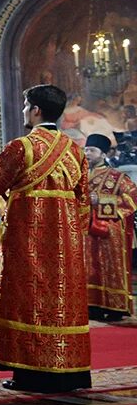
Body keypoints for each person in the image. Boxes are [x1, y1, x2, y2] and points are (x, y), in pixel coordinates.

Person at [0, 84, 91, 393]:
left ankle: (31, 374)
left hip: (29, 241)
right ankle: (67, 372)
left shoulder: (21, 147)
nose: (25, 111)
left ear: (36, 110)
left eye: (26, 106)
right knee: (60, 303)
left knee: (31, 301)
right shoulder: (75, 150)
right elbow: (83, 205)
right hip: (65, 245)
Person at [82, 134, 137, 322]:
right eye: (86, 150)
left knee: (110, 268)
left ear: (103, 153)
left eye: (92, 150)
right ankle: (92, 305)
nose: (87, 154)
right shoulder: (80, 177)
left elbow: (132, 199)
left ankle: (116, 307)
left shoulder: (117, 176)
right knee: (88, 268)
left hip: (111, 232)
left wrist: (103, 201)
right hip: (85, 230)